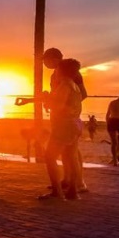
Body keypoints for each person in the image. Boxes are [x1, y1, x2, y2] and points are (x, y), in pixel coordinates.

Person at [43, 47, 88, 193]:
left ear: (55, 59)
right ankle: (67, 180)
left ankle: (78, 182)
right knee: (66, 152)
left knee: (71, 152)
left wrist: (69, 108)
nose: (45, 63)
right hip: (58, 117)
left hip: (66, 118)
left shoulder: (70, 74)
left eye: (46, 60)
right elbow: (55, 95)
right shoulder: (54, 75)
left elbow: (82, 94)